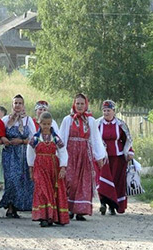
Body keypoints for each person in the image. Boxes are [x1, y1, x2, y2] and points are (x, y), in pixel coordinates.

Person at [59, 93, 105, 221]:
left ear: (86, 105)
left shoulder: (90, 120)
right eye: (77, 103)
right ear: (74, 104)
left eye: (82, 104)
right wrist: (61, 156)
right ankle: (68, 208)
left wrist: (99, 156)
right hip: (71, 154)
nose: (79, 106)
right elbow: (62, 138)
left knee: (83, 181)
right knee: (70, 180)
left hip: (85, 154)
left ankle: (80, 210)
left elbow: (95, 138)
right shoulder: (68, 119)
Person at [27, 112, 69, 227]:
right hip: (39, 167)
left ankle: (51, 216)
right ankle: (43, 216)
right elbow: (30, 153)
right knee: (42, 190)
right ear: (39, 123)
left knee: (52, 190)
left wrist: (63, 167)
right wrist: (30, 168)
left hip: (53, 168)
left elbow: (63, 151)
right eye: (44, 124)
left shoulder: (55, 138)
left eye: (48, 124)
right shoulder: (35, 138)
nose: (46, 126)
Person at [0, 94, 36, 218]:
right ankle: (10, 206)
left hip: (22, 153)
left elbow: (34, 138)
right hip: (9, 153)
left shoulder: (27, 120)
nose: (18, 105)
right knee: (10, 179)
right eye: (16, 103)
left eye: (20, 103)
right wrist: (5, 140)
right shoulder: (5, 120)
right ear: (12, 105)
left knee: (21, 180)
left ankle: (17, 206)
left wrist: (21, 141)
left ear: (23, 105)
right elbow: (0, 134)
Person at [96, 100, 133, 215]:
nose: (106, 113)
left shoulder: (120, 124)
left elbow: (127, 139)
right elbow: (93, 140)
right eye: (104, 111)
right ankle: (103, 203)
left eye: (109, 110)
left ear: (114, 111)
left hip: (118, 158)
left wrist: (130, 152)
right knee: (102, 180)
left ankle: (113, 205)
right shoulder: (97, 124)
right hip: (103, 158)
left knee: (116, 181)